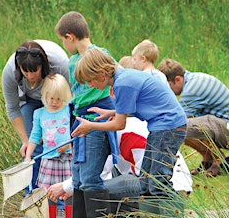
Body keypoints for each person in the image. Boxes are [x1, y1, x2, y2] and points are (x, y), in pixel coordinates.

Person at [72, 48, 188, 216]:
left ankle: (173, 213)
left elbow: (119, 125)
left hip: (168, 127)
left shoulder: (122, 83)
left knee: (158, 183)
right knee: (145, 183)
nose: (90, 85)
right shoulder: (124, 77)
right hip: (160, 127)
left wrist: (90, 126)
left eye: (90, 81)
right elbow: (138, 105)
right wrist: (111, 112)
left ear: (102, 73)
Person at [47, 116, 193, 217]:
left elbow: (95, 176)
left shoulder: (117, 132)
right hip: (155, 183)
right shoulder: (121, 124)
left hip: (169, 190)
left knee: (93, 195)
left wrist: (66, 187)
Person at [55, 11, 118, 217]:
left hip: (96, 120)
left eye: (62, 41)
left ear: (70, 37)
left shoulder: (99, 53)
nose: (64, 45)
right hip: (79, 121)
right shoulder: (72, 61)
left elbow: (118, 76)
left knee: (91, 177)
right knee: (79, 177)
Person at [157, 58, 229, 177]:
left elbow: (177, 121)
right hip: (226, 127)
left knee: (179, 126)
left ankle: (218, 160)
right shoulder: (193, 80)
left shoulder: (192, 89)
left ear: (177, 79)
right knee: (184, 125)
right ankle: (208, 159)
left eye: (167, 86)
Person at [1, 40, 69, 196]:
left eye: (34, 71)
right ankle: (33, 196)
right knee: (34, 147)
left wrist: (62, 132)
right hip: (30, 102)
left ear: (43, 65)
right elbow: (12, 108)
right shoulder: (10, 72)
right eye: (25, 72)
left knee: (57, 144)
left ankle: (60, 196)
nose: (30, 76)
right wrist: (25, 141)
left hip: (59, 100)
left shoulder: (60, 64)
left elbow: (71, 100)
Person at [25, 74, 73, 218]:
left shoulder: (68, 110)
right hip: (49, 159)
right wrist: (28, 156)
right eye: (51, 98)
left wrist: (68, 144)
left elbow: (75, 132)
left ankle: (69, 215)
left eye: (58, 98)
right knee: (49, 194)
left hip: (67, 158)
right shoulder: (39, 113)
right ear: (44, 95)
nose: (54, 102)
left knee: (69, 192)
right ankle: (51, 216)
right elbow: (34, 136)